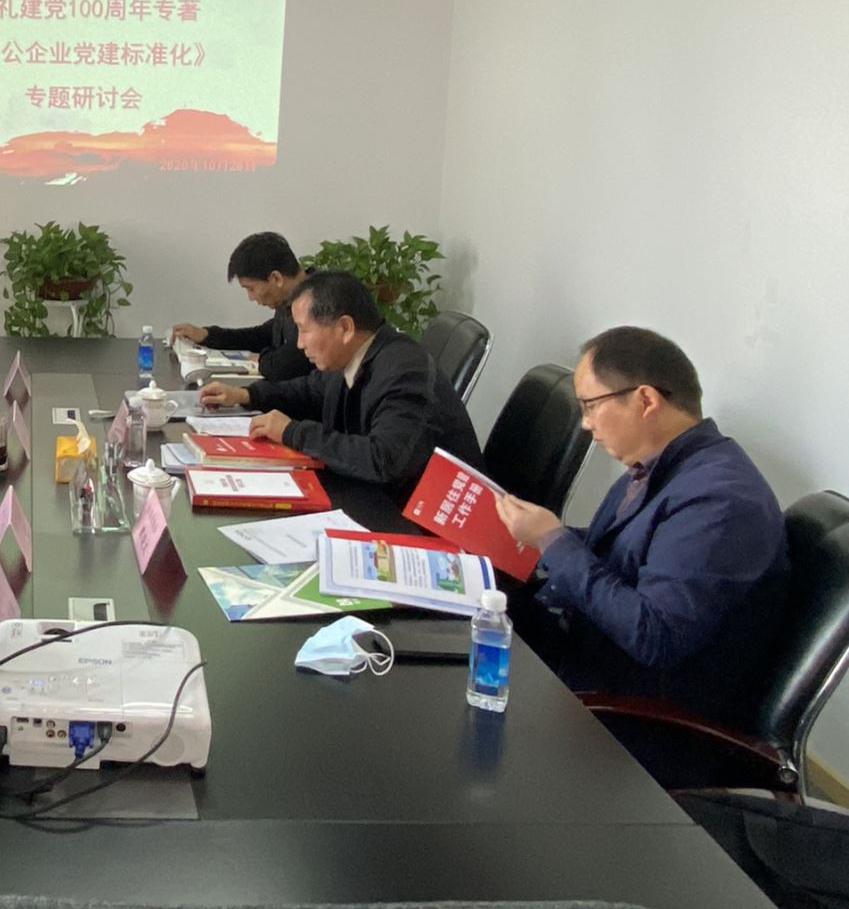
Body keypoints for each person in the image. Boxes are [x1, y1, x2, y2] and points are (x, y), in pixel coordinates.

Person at [494, 326, 789, 729]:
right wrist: (531, 537)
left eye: (590, 406)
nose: (585, 424)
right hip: (579, 650)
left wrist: (553, 540)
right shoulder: (662, 466)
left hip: (626, 714)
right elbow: (619, 555)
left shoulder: (722, 501)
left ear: (646, 399)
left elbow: (655, 635)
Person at [199, 269, 482, 501]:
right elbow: (309, 390)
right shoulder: (354, 356)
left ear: (345, 328)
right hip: (376, 498)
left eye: (304, 330)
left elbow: (383, 460)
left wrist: (292, 432)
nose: (299, 343)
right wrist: (245, 394)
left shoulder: (405, 371)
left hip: (427, 525)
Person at [170, 231, 314, 382]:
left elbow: (280, 367)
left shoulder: (319, 304)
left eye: (251, 288)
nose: (251, 298)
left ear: (276, 278)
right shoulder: (289, 299)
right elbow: (263, 335)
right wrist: (207, 335)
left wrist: (263, 358)